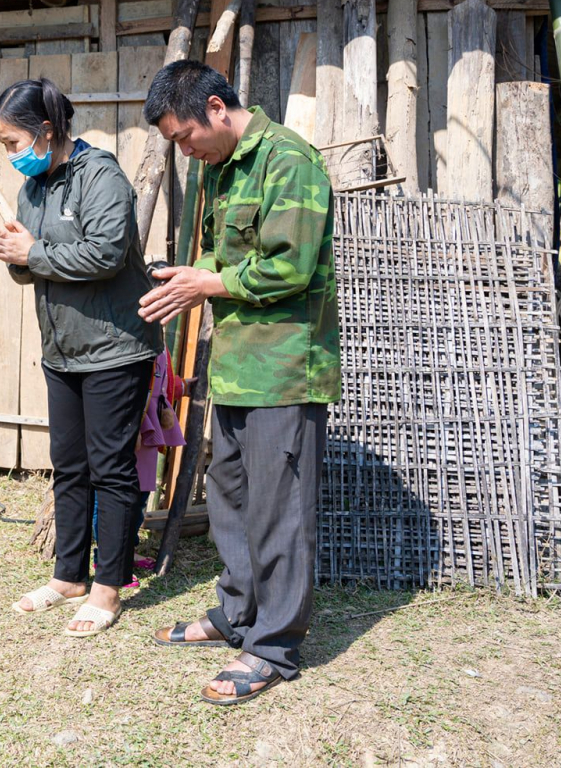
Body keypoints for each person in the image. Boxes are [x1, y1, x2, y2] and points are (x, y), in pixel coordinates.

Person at [137, 60, 339, 706]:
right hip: (236, 367)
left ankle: (274, 645)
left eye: (184, 135)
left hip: (284, 368)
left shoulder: (289, 161)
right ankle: (237, 613)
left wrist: (210, 284)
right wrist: (188, 275)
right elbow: (225, 258)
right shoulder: (222, 171)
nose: (184, 148)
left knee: (279, 512)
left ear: (218, 108)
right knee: (229, 497)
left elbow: (291, 267)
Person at [0, 77, 157, 637]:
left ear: (46, 131)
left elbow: (105, 253)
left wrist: (34, 252)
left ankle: (109, 586)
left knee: (111, 468)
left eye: (13, 143)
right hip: (63, 350)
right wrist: (16, 254)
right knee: (70, 466)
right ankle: (69, 576)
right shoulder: (36, 187)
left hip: (114, 348)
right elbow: (36, 261)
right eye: (3, 146)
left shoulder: (101, 176)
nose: (11, 156)